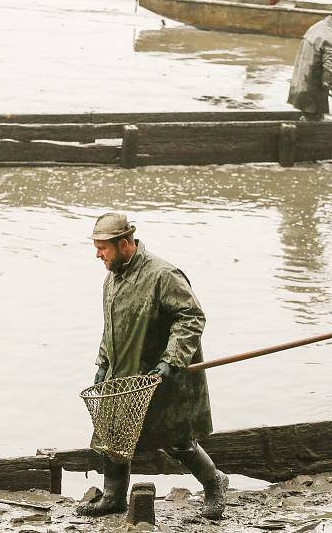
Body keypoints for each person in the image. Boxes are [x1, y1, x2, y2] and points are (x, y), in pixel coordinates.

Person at [76, 213, 228, 520]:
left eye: (102, 248)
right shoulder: (112, 280)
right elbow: (111, 329)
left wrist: (171, 361)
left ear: (124, 244)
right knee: (114, 434)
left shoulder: (163, 275)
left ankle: (215, 483)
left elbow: (191, 318)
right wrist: (103, 363)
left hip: (158, 376)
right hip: (123, 373)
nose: (97, 254)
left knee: (177, 439)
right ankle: (114, 497)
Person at [287, 7, 332, 120]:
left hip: (300, 83)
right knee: (314, 120)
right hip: (311, 87)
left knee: (308, 116)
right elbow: (330, 67)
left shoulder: (318, 26)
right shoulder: (331, 38)